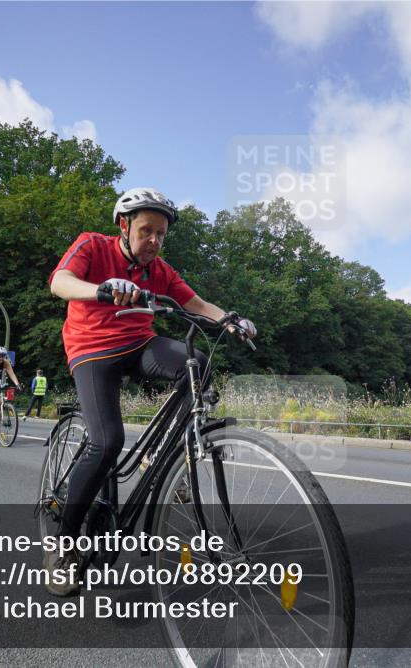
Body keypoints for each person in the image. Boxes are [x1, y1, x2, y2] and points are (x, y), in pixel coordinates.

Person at [45, 187, 256, 596]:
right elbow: (61, 282)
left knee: (198, 364)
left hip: (140, 344)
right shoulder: (93, 245)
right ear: (124, 226)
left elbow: (195, 303)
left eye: (161, 234)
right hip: (91, 349)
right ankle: (63, 546)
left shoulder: (159, 269)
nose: (154, 241)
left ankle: (157, 457)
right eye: (146, 231)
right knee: (107, 442)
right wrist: (100, 288)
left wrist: (230, 318)